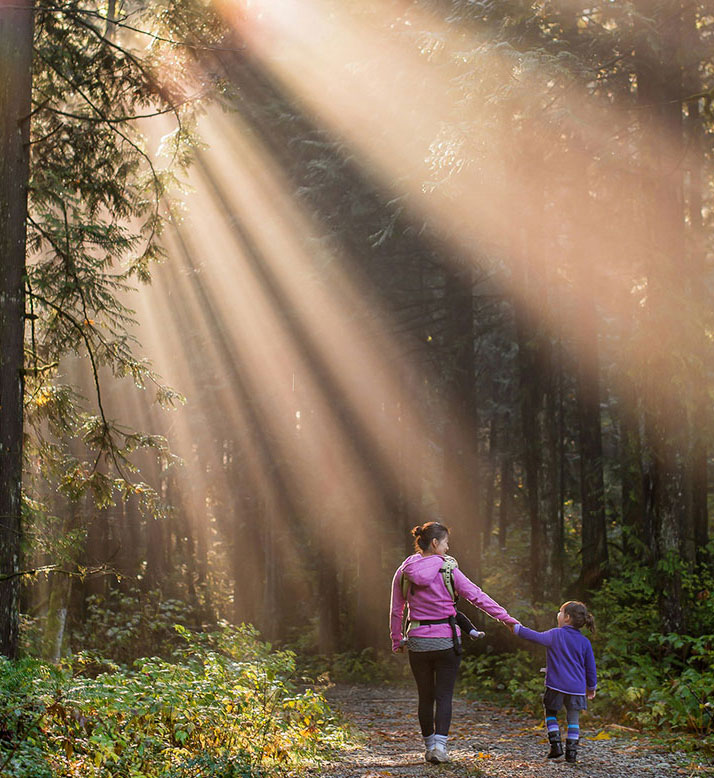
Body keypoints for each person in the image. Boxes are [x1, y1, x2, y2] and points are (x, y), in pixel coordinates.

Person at [390, 521, 517, 764]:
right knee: (444, 696)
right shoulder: (448, 570)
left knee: (425, 696)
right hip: (447, 641)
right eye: (446, 543)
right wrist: (506, 619)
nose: (448, 548)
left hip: (418, 642)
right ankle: (440, 748)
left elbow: (397, 610)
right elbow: (477, 596)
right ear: (436, 543)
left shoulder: (404, 570)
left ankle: (428, 748)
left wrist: (397, 639)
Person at [511, 601, 597, 764]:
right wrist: (591, 687)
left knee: (550, 713)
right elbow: (591, 668)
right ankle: (571, 753)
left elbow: (534, 636)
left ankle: (556, 745)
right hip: (577, 689)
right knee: (573, 719)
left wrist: (516, 628)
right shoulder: (585, 642)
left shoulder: (555, 634)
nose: (558, 614)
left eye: (560, 612)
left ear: (567, 618)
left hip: (556, 685)